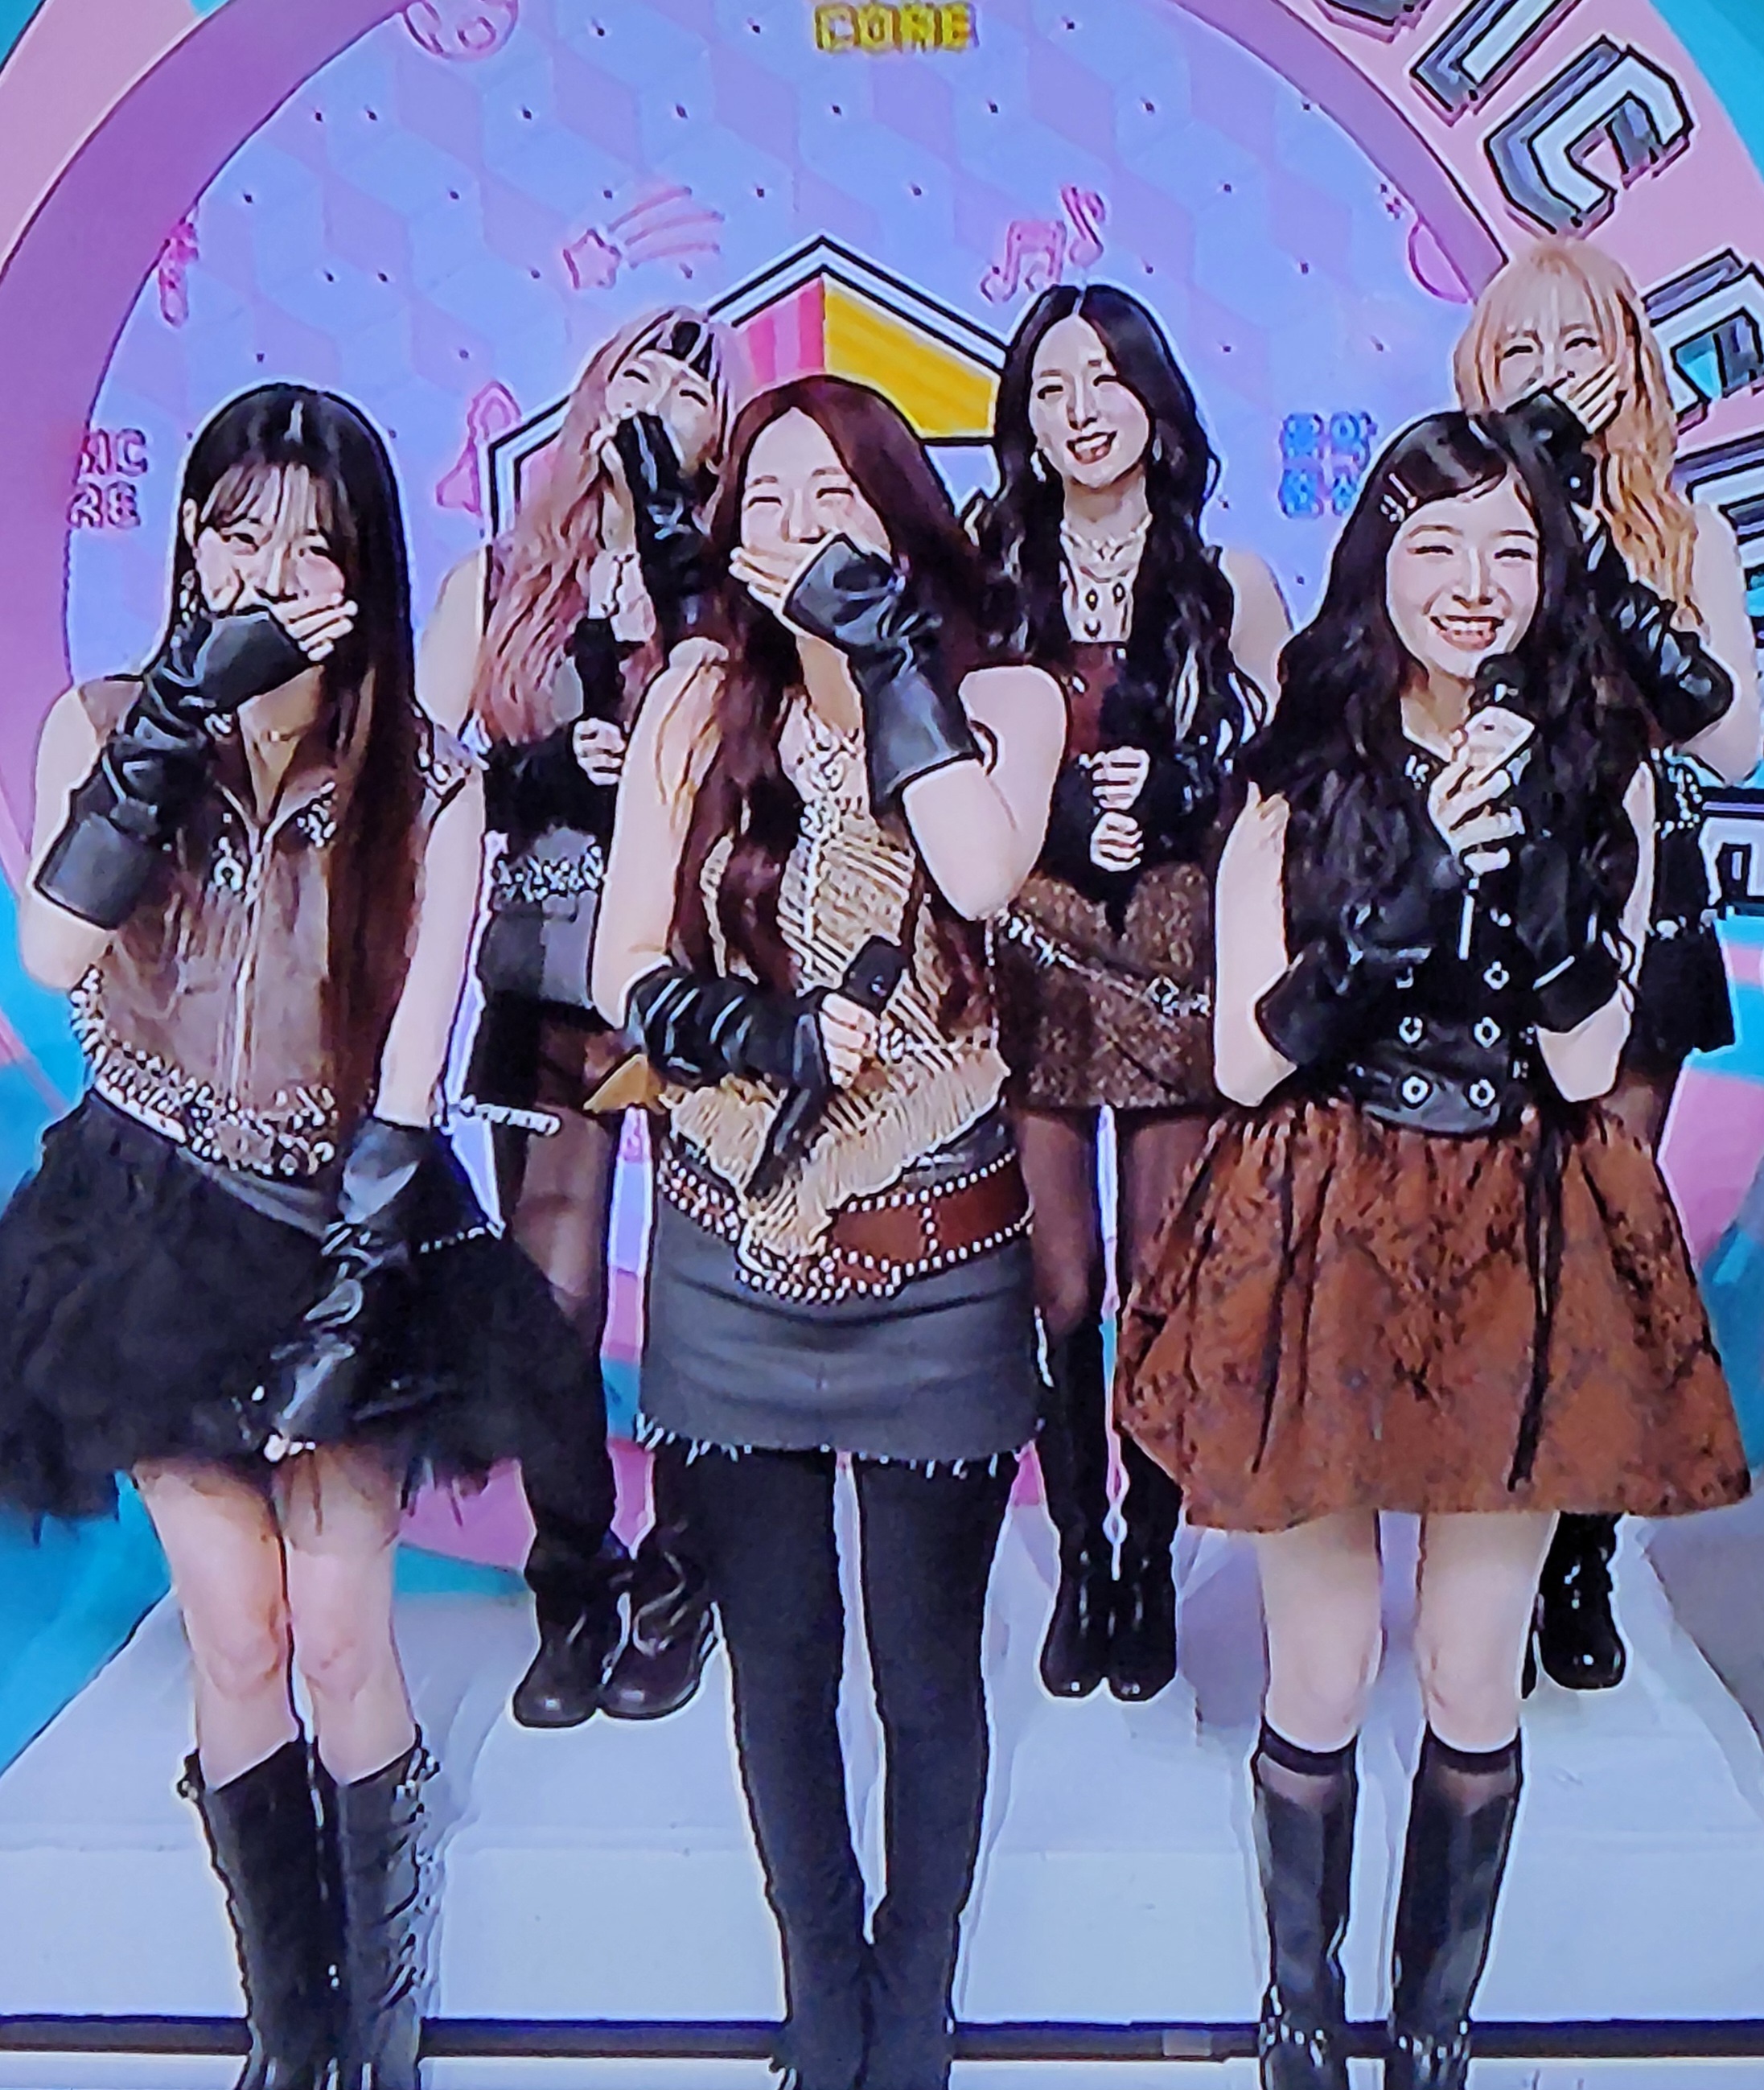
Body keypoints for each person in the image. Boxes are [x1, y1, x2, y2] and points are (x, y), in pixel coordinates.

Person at [1116, 413, 1747, 2090]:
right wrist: (1389, 919)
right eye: (1436, 546)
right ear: (1375, 563)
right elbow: (1241, 1060)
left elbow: (1582, 1063)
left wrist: (1523, 888)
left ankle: (1432, 2029)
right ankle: (1296, 2014)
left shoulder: (1601, 768)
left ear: (1550, 572)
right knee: (1319, 1666)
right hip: (1324, 1215)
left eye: (1509, 549)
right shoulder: (1295, 768)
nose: (1473, 583)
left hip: (1513, 1228)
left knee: (1473, 1671)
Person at [0, 386, 602, 2090]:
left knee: (339, 1630)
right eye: (236, 532)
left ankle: (378, 2010)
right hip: (146, 1234)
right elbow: (52, 953)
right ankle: (292, 2024)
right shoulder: (100, 727)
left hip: (350, 1224)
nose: (270, 571)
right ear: (188, 543)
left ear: (367, 570)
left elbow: (411, 1074)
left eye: (312, 545)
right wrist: (177, 714)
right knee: (236, 1626)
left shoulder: (430, 778)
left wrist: (351, 1295)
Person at [592, 373, 1063, 2090]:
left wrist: (879, 655)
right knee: (778, 1663)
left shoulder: (998, 695)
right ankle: (820, 1986)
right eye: (766, 504)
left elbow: (980, 872)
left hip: (934, 1261)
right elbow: (620, 966)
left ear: (896, 520)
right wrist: (759, 1036)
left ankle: (912, 1988)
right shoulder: (693, 701)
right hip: (732, 1242)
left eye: (833, 500)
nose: (796, 532)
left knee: (924, 1671)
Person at [972, 283, 1289, 1703]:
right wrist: (1046, 818)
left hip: (1176, 951)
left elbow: (1295, 775)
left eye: (1103, 378)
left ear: (1154, 399)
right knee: (1060, 1278)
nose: (1079, 409)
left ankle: (1150, 1555)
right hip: (1033, 952)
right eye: (1050, 387)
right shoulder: (988, 568)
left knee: (1161, 1268)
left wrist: (1185, 792)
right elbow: (937, 759)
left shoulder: (1230, 583)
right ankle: (1080, 1552)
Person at [421, 308, 735, 1726]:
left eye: (695, 384)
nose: (661, 394)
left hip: (695, 978)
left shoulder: (724, 583)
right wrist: (536, 769)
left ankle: (683, 1570)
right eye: (641, 368)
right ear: (593, 393)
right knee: (549, 1299)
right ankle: (574, 1574)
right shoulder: (495, 581)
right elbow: (413, 774)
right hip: (543, 974)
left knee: (699, 1297)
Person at [1456, 237, 1761, 1694]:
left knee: (1602, 1233)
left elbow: (1735, 740)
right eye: (1519, 351)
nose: (1549, 375)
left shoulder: (1681, 531)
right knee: (1492, 1242)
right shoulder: (1452, 521)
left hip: (1637, 911)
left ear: (1627, 363)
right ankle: (1490, 1551)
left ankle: (1580, 1545)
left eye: (1575, 346)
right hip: (1482, 914)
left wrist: (1613, 563)